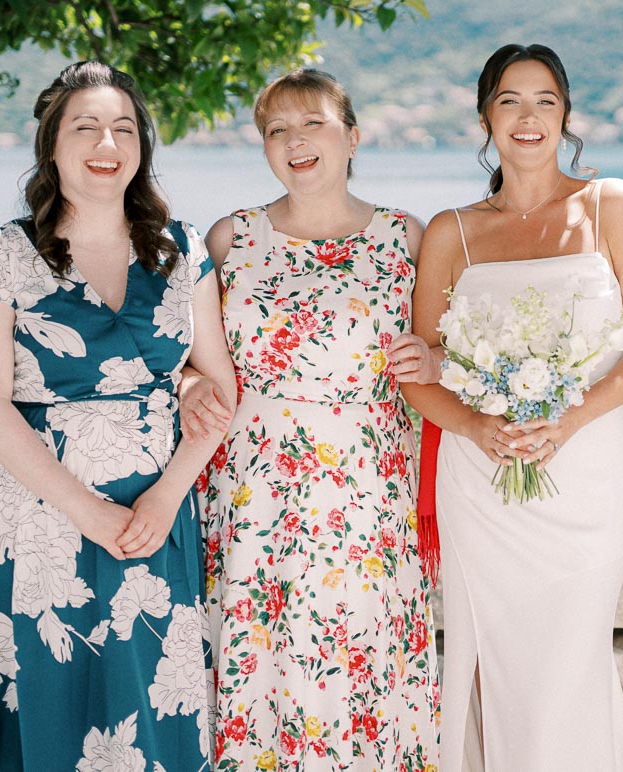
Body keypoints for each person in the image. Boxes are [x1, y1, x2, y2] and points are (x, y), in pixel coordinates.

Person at [0, 61, 236, 768]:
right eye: (85, 127)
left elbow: (219, 385)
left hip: (156, 517)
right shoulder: (2, 255)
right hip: (37, 516)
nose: (106, 142)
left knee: (152, 704)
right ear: (51, 146)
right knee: (51, 700)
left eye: (123, 128)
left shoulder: (182, 252)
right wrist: (88, 513)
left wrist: (167, 497)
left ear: (141, 147)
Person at [404, 43, 623, 771]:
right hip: (479, 481)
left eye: (544, 100)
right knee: (493, 660)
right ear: (487, 115)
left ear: (567, 115)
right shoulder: (449, 231)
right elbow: (418, 372)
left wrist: (569, 418)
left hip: (585, 473)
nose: (528, 116)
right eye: (510, 100)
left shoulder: (610, 204)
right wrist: (479, 425)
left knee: (571, 656)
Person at [194, 69, 439, 770]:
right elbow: (185, 355)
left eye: (314, 124)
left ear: (352, 137)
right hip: (255, 496)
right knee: (259, 665)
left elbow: (440, 346)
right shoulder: (230, 238)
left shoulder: (405, 237)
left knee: (356, 664)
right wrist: (188, 386)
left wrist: (433, 355)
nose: (295, 141)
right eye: (277, 130)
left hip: (365, 497)